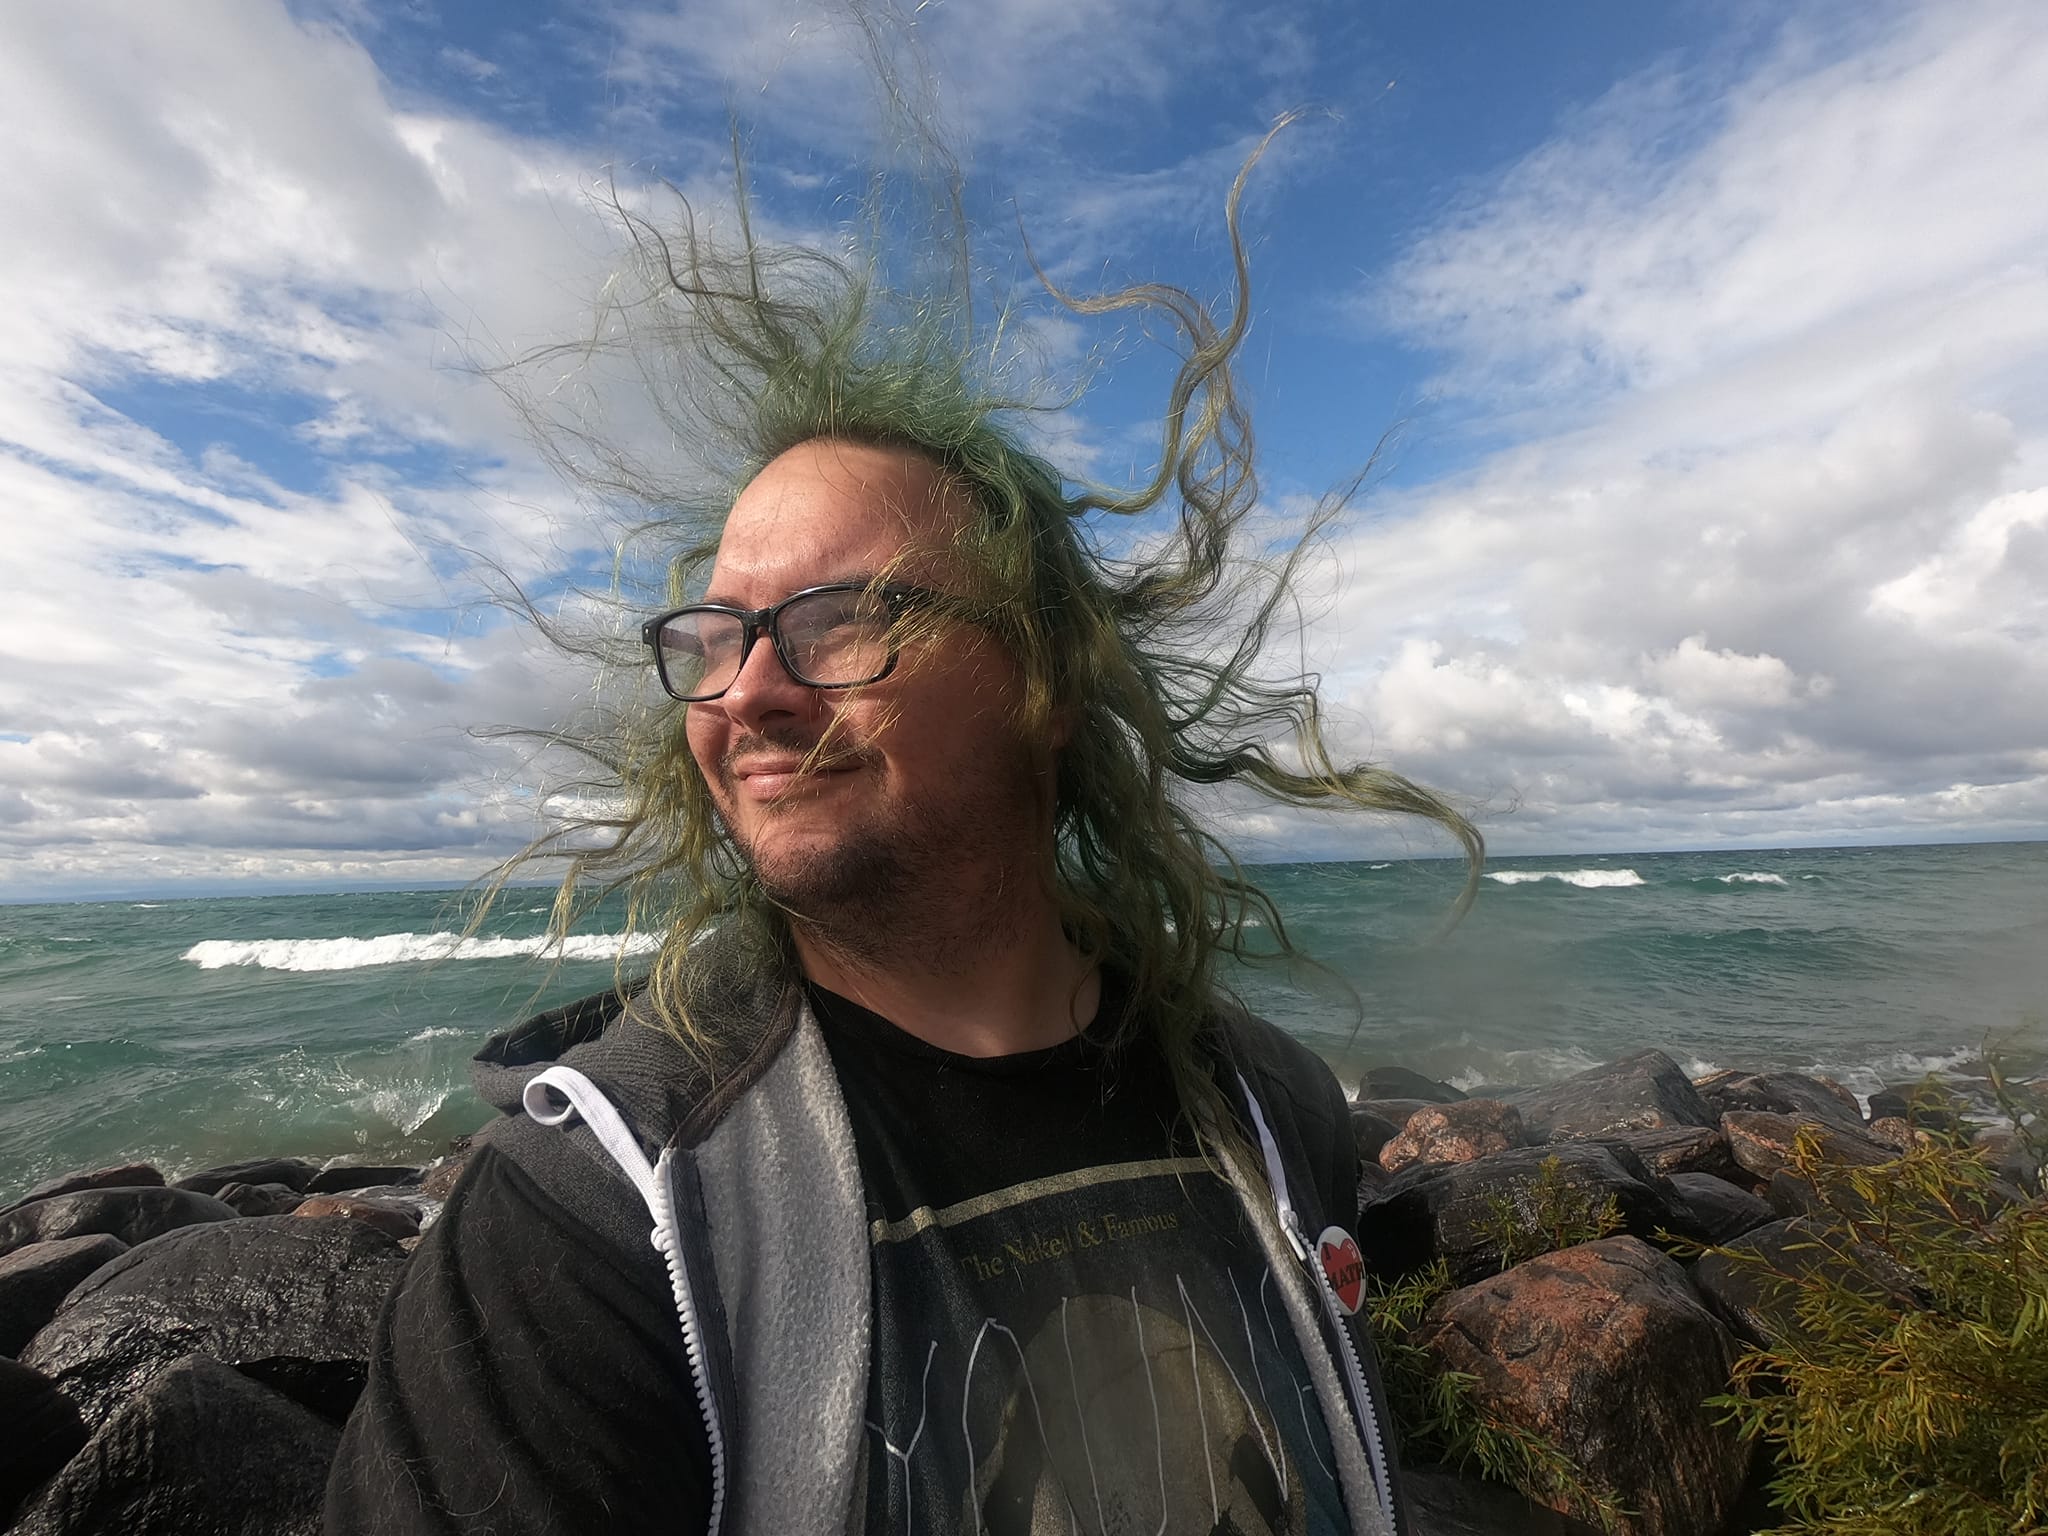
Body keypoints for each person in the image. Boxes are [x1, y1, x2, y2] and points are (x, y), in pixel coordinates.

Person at [325, 130, 1478, 1536]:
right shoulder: (597, 1220)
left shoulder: (1272, 1115)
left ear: (1047, 682)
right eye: (716, 637)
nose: (746, 691)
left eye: (839, 622)